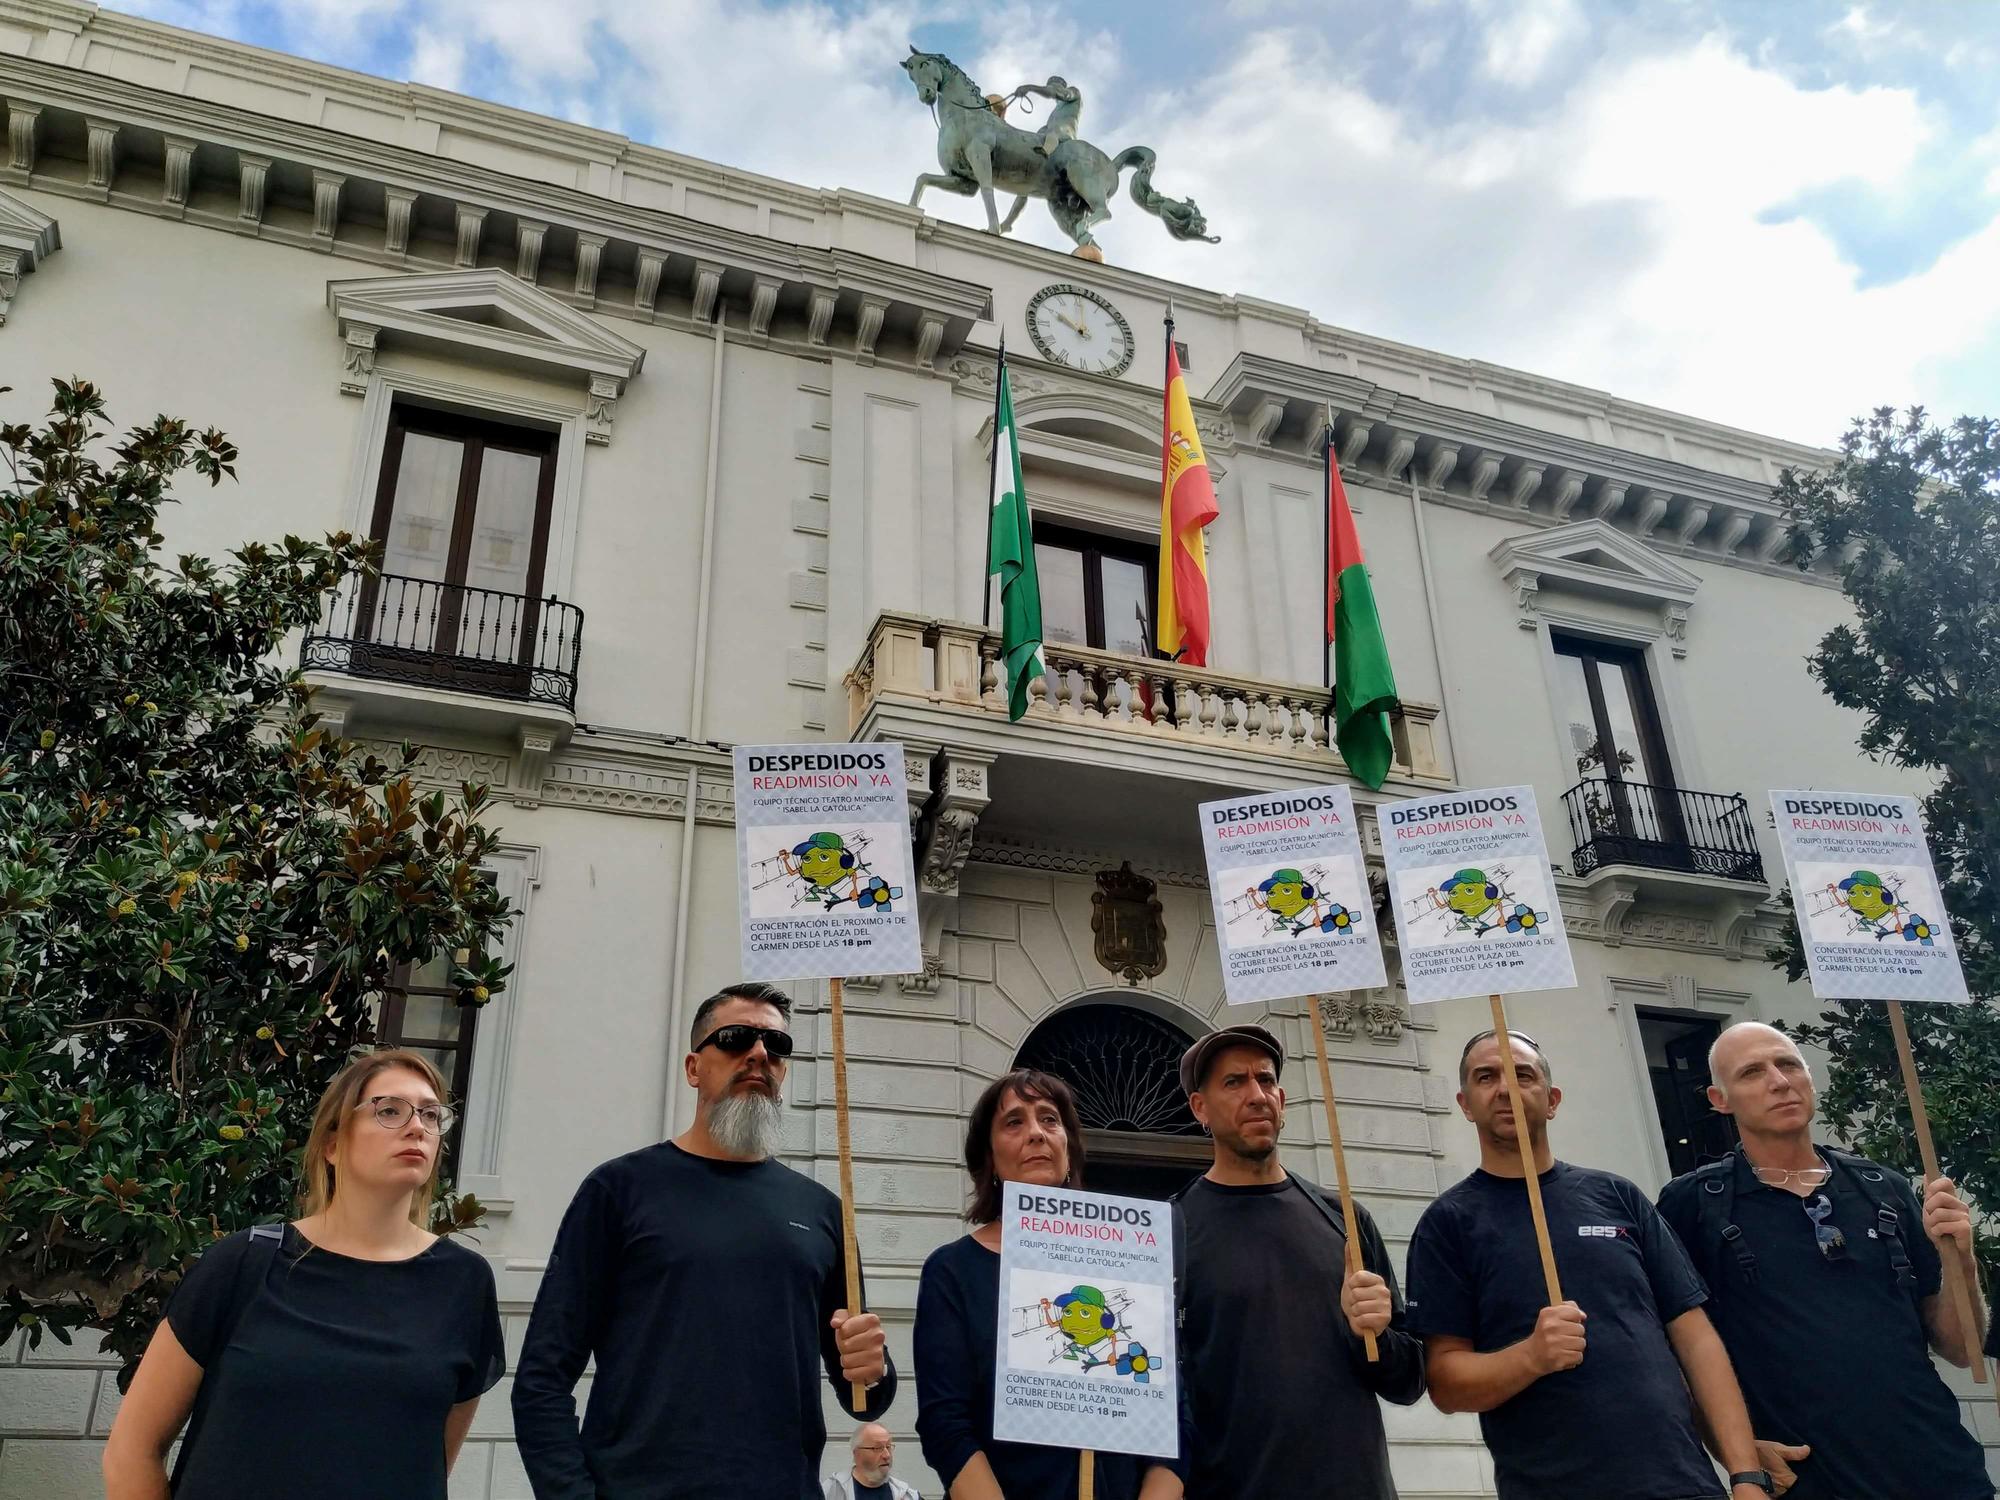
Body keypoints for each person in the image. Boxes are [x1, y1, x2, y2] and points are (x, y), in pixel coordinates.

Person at [513, 982, 894, 1499]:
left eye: (777, 1047)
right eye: (736, 1038)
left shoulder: (822, 1210)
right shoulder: (619, 1190)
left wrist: (874, 1371)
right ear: (694, 1067)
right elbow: (542, 1377)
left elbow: (861, 1394)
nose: (759, 1054)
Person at [102, 1049, 504, 1500]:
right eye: (390, 1110)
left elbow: (426, 1466)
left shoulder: (464, 1283)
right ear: (333, 1144)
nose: (417, 1127)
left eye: (431, 1115)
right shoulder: (243, 1263)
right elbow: (132, 1451)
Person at [1405, 1029, 1769, 1500]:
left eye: (1523, 1075)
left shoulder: (1617, 1197)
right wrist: (1531, 1356)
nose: (1505, 1089)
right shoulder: (1447, 1223)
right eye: (1486, 1076)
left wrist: (1746, 1476)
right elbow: (1445, 1383)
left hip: (1684, 1483)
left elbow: (1695, 1339)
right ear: (1465, 1103)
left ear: (1552, 1099)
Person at [1657, 1020, 1993, 1500]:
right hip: (1806, 1480)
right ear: (1719, 1100)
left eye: (1788, 1064)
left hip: (1940, 1471)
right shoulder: (1693, 1205)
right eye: (1752, 1072)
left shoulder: (1884, 1188)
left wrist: (1961, 1260)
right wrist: (1736, 1453)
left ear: (1809, 1078)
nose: (1779, 1081)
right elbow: (1675, 1352)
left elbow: (1961, 1350)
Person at [1171, 1023, 1424, 1500]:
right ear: (1199, 1108)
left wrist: (1374, 1333)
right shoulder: (1171, 1228)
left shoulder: (1344, 1218)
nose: (1256, 1095)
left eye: (1265, 1081)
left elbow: (1410, 1378)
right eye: (1234, 1082)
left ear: (1283, 1100)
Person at [914, 1068, 1183, 1500]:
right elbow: (945, 1424)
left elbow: (1173, 1415)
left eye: (1049, 1119)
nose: (1036, 1133)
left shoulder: (1131, 1261)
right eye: (1014, 1122)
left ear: (1069, 1147)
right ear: (989, 1156)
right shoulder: (953, 1270)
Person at [824, 1423, 920, 1500]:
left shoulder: (907, 1495)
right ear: (856, 1453)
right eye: (877, 1448)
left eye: (888, 1446)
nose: (887, 1455)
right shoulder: (830, 1491)